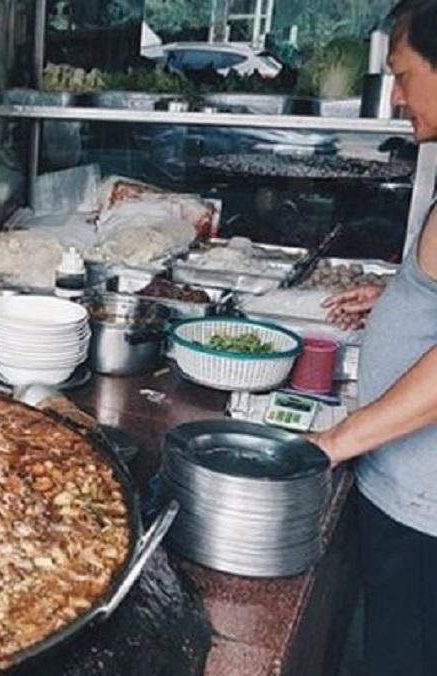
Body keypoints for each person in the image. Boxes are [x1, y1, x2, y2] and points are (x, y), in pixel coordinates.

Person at [314, 2, 437, 675]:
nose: (394, 98)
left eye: (404, 74)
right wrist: (402, 297)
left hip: (425, 513)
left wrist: (336, 440)